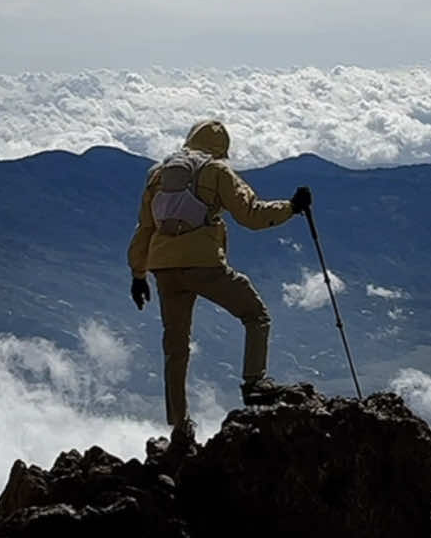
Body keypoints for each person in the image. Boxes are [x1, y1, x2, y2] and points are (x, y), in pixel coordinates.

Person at [127, 118, 312, 440]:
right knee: (256, 315)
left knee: (175, 347)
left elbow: (145, 228)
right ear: (221, 149)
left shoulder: (157, 174)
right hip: (203, 264)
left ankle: (180, 426)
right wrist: (292, 207)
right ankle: (255, 383)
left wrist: (138, 274)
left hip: (163, 269)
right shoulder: (216, 172)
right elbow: (251, 215)